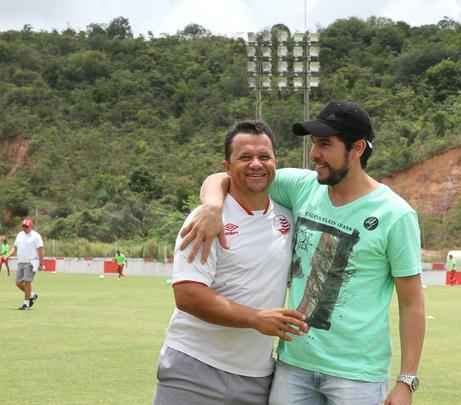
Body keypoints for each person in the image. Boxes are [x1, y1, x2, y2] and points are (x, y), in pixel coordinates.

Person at [182, 101, 426, 405]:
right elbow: (230, 176)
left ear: (358, 148)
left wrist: (406, 381)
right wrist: (213, 207)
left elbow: (411, 303)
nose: (314, 154)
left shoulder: (396, 215)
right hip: (293, 365)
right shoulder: (302, 186)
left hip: (356, 374)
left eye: (325, 144)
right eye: (314, 144)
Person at [153, 120, 308, 405]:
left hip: (257, 378)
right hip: (194, 369)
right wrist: (255, 318)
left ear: (276, 162)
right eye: (245, 157)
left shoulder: (288, 217)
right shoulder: (207, 220)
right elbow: (188, 295)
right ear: (227, 165)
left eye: (264, 156)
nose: (256, 164)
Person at [9, 218, 44, 310]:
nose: (24, 228)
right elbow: (15, 248)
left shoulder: (36, 236)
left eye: (26, 226)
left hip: (31, 262)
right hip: (21, 262)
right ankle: (32, 295)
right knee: (18, 283)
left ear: (30, 226)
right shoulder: (19, 235)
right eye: (23, 226)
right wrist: (7, 255)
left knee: (27, 282)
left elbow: (40, 250)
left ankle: (26, 304)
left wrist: (41, 263)